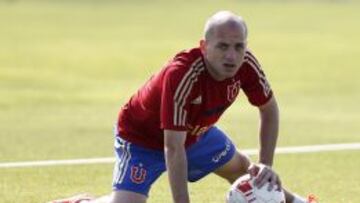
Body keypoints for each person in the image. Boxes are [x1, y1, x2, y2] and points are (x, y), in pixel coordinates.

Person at [50, 11, 316, 203]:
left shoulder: (246, 65)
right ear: (204, 46)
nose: (232, 55)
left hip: (195, 133)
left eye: (239, 46)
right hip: (142, 138)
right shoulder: (182, 75)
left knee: (245, 170)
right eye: (222, 46)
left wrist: (266, 165)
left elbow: (269, 110)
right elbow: (172, 147)